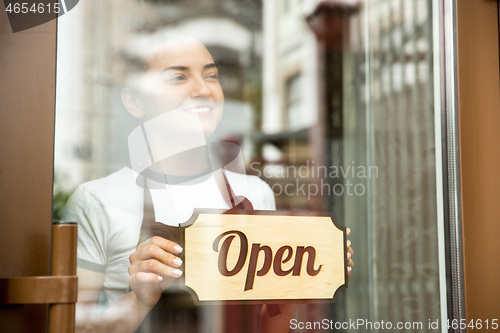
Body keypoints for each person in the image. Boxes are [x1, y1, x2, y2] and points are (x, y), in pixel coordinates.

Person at [63, 36, 354, 333]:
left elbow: (269, 325)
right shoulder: (97, 201)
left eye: (211, 75)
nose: (204, 90)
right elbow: (70, 327)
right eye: (178, 76)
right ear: (135, 101)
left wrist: (301, 283)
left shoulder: (255, 193)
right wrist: (140, 300)